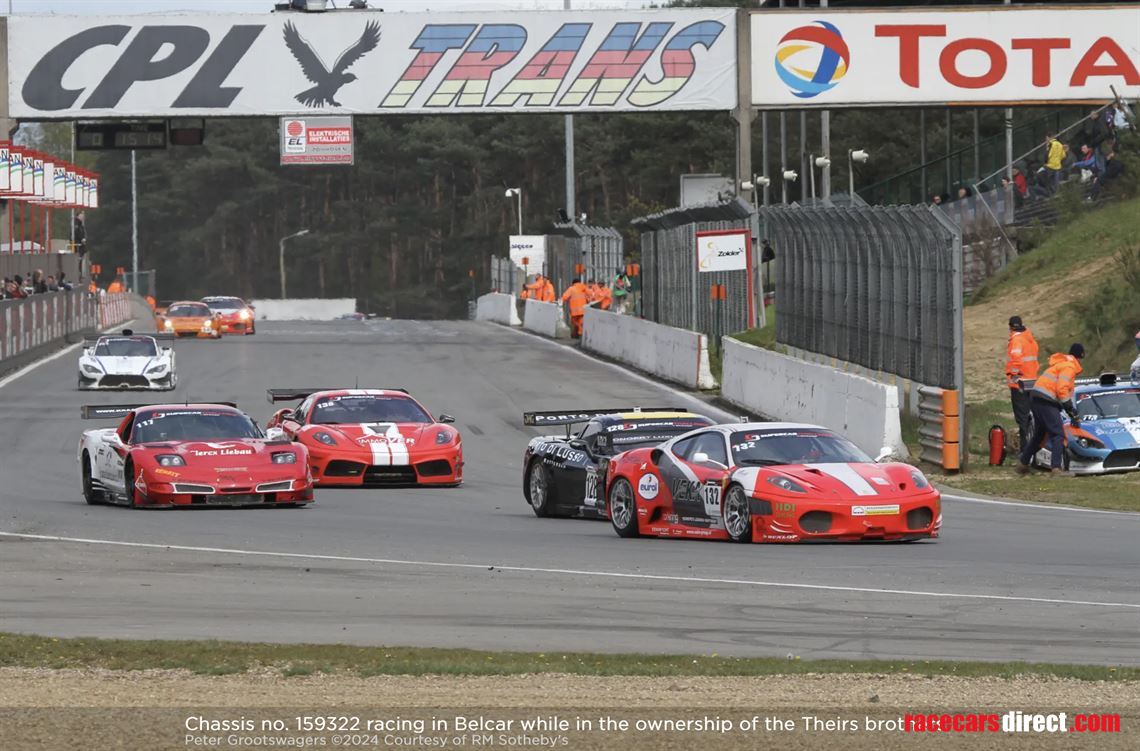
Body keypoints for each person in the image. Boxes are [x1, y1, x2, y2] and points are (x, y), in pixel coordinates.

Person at [1016, 343, 1085, 475]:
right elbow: (1061, 389)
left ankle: (1023, 464)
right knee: (1058, 434)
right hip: (1046, 400)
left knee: (1039, 435)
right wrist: (1070, 409)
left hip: (1036, 398)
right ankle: (1056, 468)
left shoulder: (1061, 364)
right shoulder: (1069, 367)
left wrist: (1069, 411)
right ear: (1080, 357)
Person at [1005, 316, 1039, 451]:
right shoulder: (1030, 339)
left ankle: (1025, 450)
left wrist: (1014, 378)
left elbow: (1016, 361)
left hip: (1020, 383)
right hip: (1032, 381)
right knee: (1032, 415)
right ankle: (1035, 446)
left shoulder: (1016, 340)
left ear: (1011, 327)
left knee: (1022, 418)